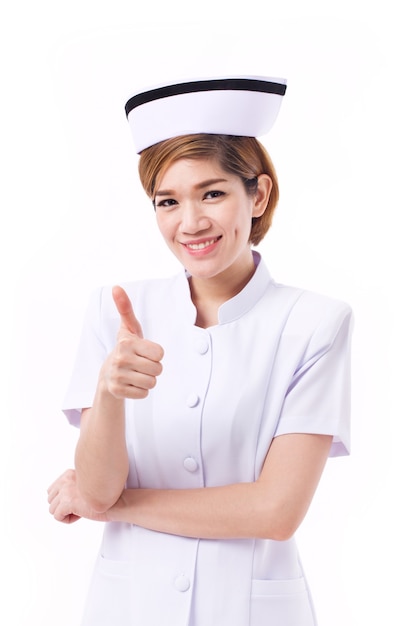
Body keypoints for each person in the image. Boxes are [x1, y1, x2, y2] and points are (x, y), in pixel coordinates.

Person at [47, 76, 353, 626]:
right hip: (128, 606)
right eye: (168, 201)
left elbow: (276, 511)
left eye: (212, 193)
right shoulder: (115, 311)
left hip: (251, 610)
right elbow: (96, 485)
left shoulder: (315, 324)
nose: (190, 223)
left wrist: (117, 508)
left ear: (257, 195)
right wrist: (109, 391)